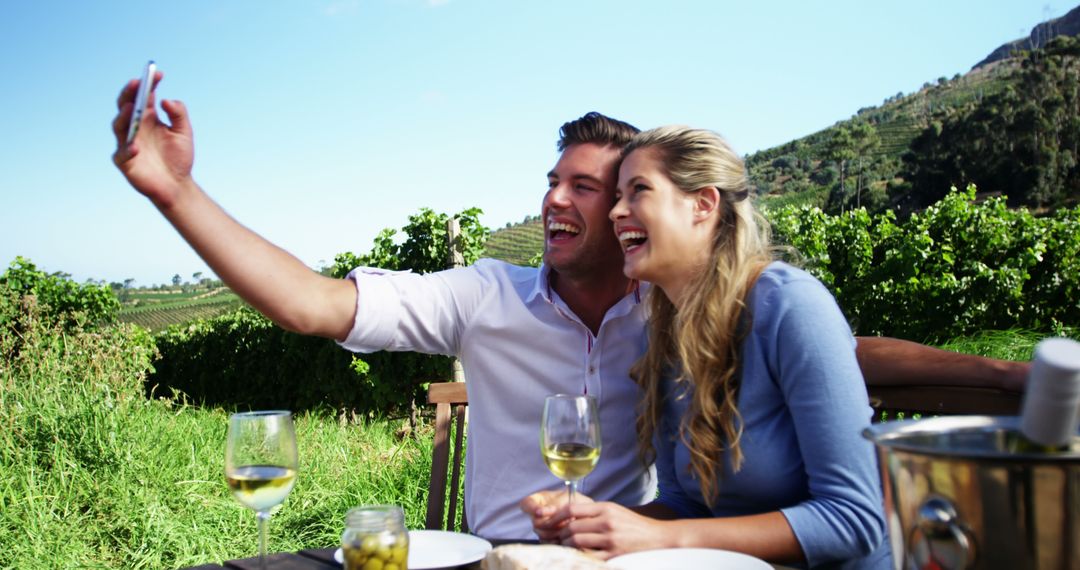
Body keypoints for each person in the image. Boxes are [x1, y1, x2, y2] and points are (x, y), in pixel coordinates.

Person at [111, 71, 1026, 540]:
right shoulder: (499, 296)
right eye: (559, 182)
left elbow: (828, 352)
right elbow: (315, 305)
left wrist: (1005, 375)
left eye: (599, 189)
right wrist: (176, 194)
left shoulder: (695, 310)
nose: (561, 201)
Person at [522, 126, 892, 568]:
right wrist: (599, 526)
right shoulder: (660, 335)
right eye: (617, 195)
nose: (617, 211)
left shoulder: (789, 304)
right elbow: (687, 506)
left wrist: (659, 537)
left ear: (703, 204)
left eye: (638, 190)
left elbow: (854, 519)